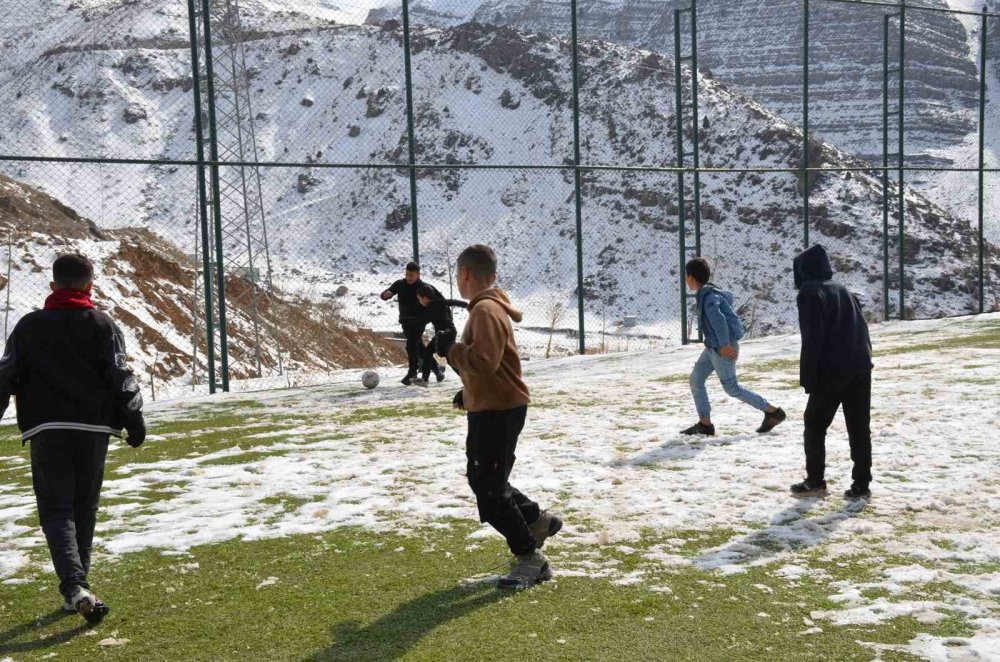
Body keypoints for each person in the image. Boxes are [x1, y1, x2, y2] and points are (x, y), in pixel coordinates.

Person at [0, 254, 146, 624]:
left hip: (46, 429)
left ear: (53, 286)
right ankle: (78, 589)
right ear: (90, 286)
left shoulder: (28, 326)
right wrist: (135, 420)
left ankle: (74, 586)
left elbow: (4, 376)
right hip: (95, 429)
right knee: (85, 507)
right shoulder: (103, 323)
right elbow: (121, 375)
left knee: (57, 510)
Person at [436, 244, 562, 590]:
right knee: (489, 482)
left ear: (464, 274)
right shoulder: (489, 308)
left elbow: (485, 361)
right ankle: (537, 520)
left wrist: (450, 349)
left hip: (498, 411)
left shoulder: (484, 312)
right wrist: (470, 392)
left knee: (488, 490)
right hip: (495, 406)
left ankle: (530, 559)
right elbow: (495, 364)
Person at [790, 244, 874, 500]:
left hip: (832, 371)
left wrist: (809, 378)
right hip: (860, 365)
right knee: (859, 427)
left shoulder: (809, 292)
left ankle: (815, 480)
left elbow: (813, 339)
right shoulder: (842, 289)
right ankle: (861, 484)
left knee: (814, 424)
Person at [680, 257, 786, 437]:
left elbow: (719, 321)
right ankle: (705, 424)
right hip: (713, 347)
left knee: (732, 388)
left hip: (722, 347)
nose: (685, 280)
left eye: (685, 276)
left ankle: (773, 412)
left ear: (690, 277)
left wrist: (724, 345)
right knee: (696, 379)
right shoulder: (708, 293)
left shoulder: (708, 297)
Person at [380, 262, 439, 385]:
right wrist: (386, 294)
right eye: (407, 274)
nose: (408, 277)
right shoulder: (400, 284)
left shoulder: (424, 288)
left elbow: (433, 304)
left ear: (418, 275)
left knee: (411, 345)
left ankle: (412, 372)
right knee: (419, 347)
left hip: (419, 322)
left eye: (411, 275)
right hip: (405, 321)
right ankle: (437, 368)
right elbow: (388, 292)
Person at [411, 284, 467, 387]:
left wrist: (411, 322)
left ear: (425, 298)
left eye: (420, 299)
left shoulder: (430, 308)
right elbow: (453, 302)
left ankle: (468, 379)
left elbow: (422, 321)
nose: (420, 302)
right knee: (433, 353)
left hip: (444, 334)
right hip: (448, 332)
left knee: (446, 357)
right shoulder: (440, 302)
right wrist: (467, 305)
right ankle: (425, 380)